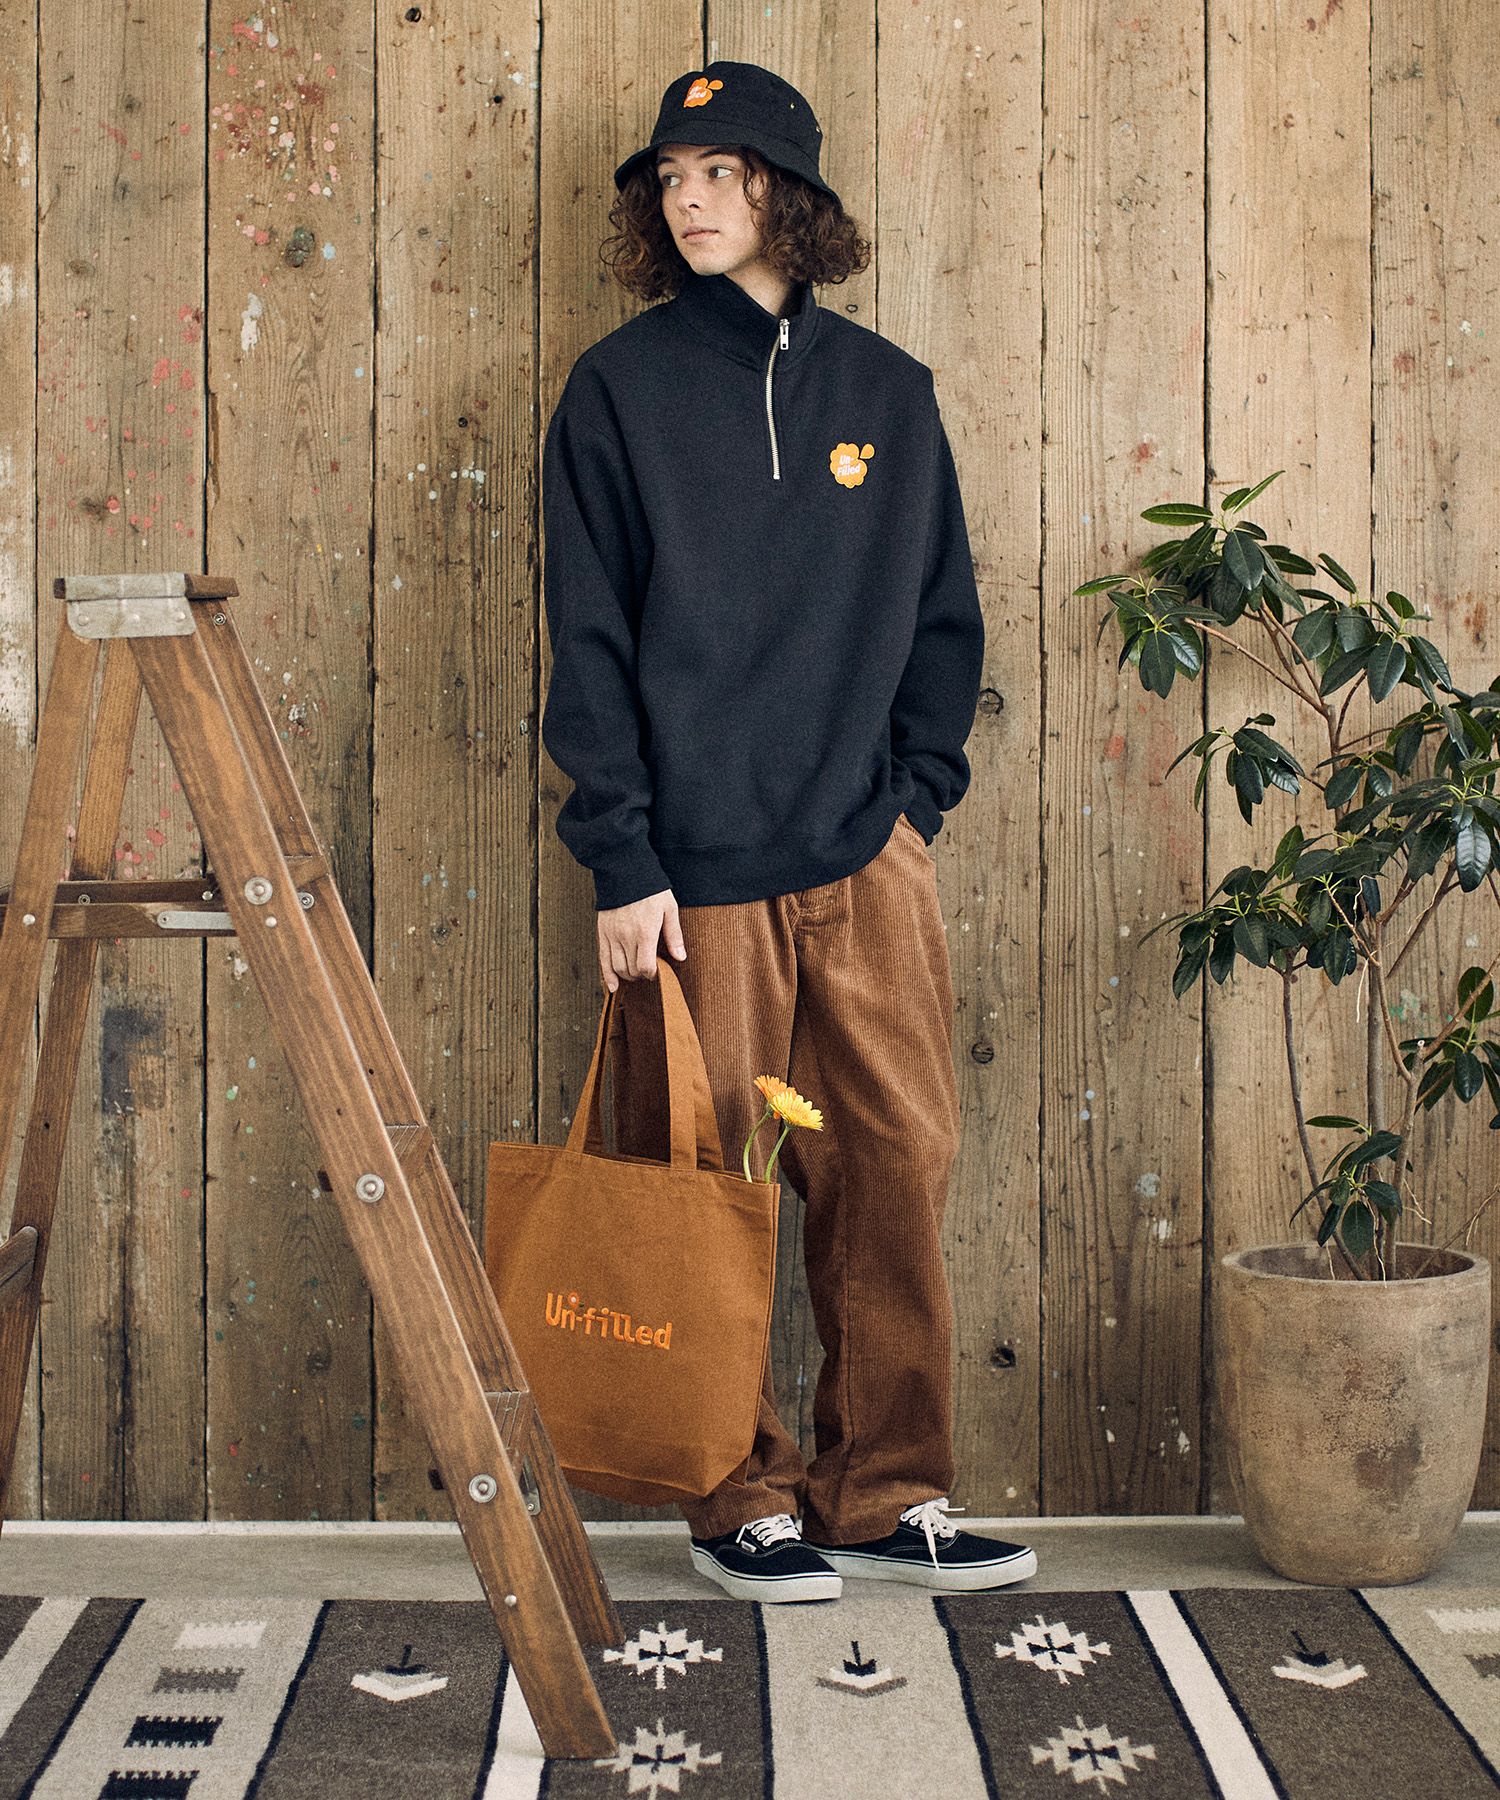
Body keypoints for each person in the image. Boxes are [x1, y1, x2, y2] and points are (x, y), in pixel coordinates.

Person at [539, 59, 1035, 1602]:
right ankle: (736, 1498)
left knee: (894, 1165)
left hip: (863, 856)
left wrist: (912, 805)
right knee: (706, 1183)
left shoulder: (886, 393)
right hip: (691, 875)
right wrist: (624, 858)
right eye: (669, 178)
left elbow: (943, 617)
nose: (687, 199)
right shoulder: (617, 391)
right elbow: (588, 642)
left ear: (787, 190)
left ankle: (888, 1494)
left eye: (721, 172)